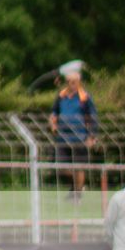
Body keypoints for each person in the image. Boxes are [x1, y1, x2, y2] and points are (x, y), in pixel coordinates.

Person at [49, 61, 98, 202]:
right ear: (66, 82)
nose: (72, 84)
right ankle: (78, 186)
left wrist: (91, 136)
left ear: (79, 82)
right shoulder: (61, 96)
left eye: (75, 82)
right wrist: (53, 124)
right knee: (60, 168)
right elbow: (54, 114)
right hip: (63, 138)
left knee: (79, 167)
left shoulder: (85, 98)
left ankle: (77, 195)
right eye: (70, 81)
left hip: (80, 137)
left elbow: (93, 117)